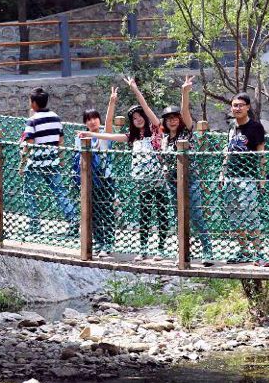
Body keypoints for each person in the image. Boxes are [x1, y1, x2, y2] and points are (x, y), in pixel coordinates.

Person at [79, 76, 172, 261]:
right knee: (144, 214)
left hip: (160, 178)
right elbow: (109, 136)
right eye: (134, 118)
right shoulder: (132, 137)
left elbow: (147, 108)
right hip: (142, 181)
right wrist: (88, 133)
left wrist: (135, 90)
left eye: (140, 117)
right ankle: (143, 248)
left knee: (162, 212)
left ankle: (161, 248)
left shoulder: (156, 130)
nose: (138, 120)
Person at [156, 75, 215, 265]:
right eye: (169, 119)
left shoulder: (186, 132)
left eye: (175, 118)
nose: (172, 121)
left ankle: (208, 251)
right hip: (171, 182)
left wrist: (184, 93)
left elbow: (186, 112)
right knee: (178, 216)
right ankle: (182, 251)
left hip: (189, 179)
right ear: (164, 122)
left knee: (196, 215)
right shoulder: (164, 139)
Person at [20, 87, 77, 238]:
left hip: (36, 163)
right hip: (53, 162)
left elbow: (29, 143)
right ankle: (73, 220)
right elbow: (61, 140)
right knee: (60, 192)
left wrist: (22, 163)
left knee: (29, 192)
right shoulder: (56, 118)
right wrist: (61, 159)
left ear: (33, 104)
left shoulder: (32, 120)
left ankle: (34, 224)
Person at [222, 92, 267, 266]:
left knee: (251, 215)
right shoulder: (232, 127)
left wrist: (262, 178)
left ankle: (258, 253)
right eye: (235, 105)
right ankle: (243, 251)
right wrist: (222, 173)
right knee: (235, 217)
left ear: (247, 107)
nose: (237, 108)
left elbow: (261, 154)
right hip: (230, 177)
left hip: (247, 177)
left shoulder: (255, 127)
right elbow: (228, 152)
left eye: (241, 105)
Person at [75, 87, 119, 258]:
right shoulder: (81, 138)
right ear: (85, 122)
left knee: (106, 211)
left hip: (105, 179)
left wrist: (112, 102)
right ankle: (99, 243)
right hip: (89, 180)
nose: (93, 122)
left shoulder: (104, 136)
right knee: (92, 212)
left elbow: (109, 123)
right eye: (89, 119)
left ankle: (108, 243)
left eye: (95, 118)